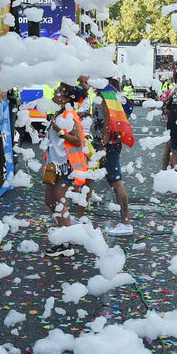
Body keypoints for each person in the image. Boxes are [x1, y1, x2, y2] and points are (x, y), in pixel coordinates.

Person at [42, 83, 89, 256]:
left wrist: (60, 132)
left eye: (60, 90)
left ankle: (66, 243)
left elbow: (78, 140)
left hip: (64, 166)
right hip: (53, 166)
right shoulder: (60, 113)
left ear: (68, 98)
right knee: (51, 201)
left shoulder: (70, 115)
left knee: (60, 204)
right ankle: (66, 233)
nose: (55, 91)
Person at [86, 79, 133, 237]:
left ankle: (126, 223)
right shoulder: (105, 94)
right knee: (89, 176)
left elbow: (109, 123)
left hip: (107, 145)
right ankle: (79, 216)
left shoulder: (107, 95)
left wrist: (103, 147)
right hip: (103, 144)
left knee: (116, 182)